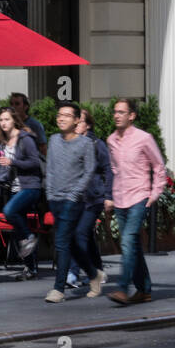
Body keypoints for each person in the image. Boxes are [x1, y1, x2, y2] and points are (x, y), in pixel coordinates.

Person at [106, 98, 166, 306]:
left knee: (128, 241)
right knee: (133, 246)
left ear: (131, 116)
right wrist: (110, 196)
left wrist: (155, 193)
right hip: (120, 198)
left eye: (121, 112)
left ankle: (123, 288)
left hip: (140, 197)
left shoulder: (144, 138)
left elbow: (158, 166)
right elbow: (114, 169)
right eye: (115, 112)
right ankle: (144, 290)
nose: (116, 115)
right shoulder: (111, 140)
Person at [44, 101, 96, 302]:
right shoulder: (53, 140)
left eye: (66, 115)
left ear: (76, 120)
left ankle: (58, 289)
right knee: (71, 243)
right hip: (55, 198)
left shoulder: (85, 144)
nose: (61, 118)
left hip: (73, 200)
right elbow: (50, 168)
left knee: (61, 242)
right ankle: (94, 274)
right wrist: (49, 193)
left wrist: (75, 194)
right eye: (59, 115)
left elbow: (89, 171)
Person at [0, 107, 42, 276]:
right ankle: (31, 268)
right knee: (17, 230)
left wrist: (13, 162)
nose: (3, 123)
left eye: (7, 119)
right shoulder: (2, 144)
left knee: (9, 211)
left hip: (30, 187)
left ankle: (30, 237)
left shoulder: (25, 139)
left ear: (14, 120)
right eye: (1, 120)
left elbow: (35, 162)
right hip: (14, 189)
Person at [75, 108, 112, 297]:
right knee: (86, 236)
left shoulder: (97, 144)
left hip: (93, 197)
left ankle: (75, 273)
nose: (76, 124)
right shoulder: (72, 143)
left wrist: (108, 195)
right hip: (77, 197)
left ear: (88, 125)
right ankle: (98, 270)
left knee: (79, 234)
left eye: (80, 121)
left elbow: (108, 169)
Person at [9, 92, 47, 156]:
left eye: (17, 104)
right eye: (11, 104)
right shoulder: (9, 124)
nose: (13, 107)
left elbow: (43, 149)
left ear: (25, 107)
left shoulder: (35, 125)